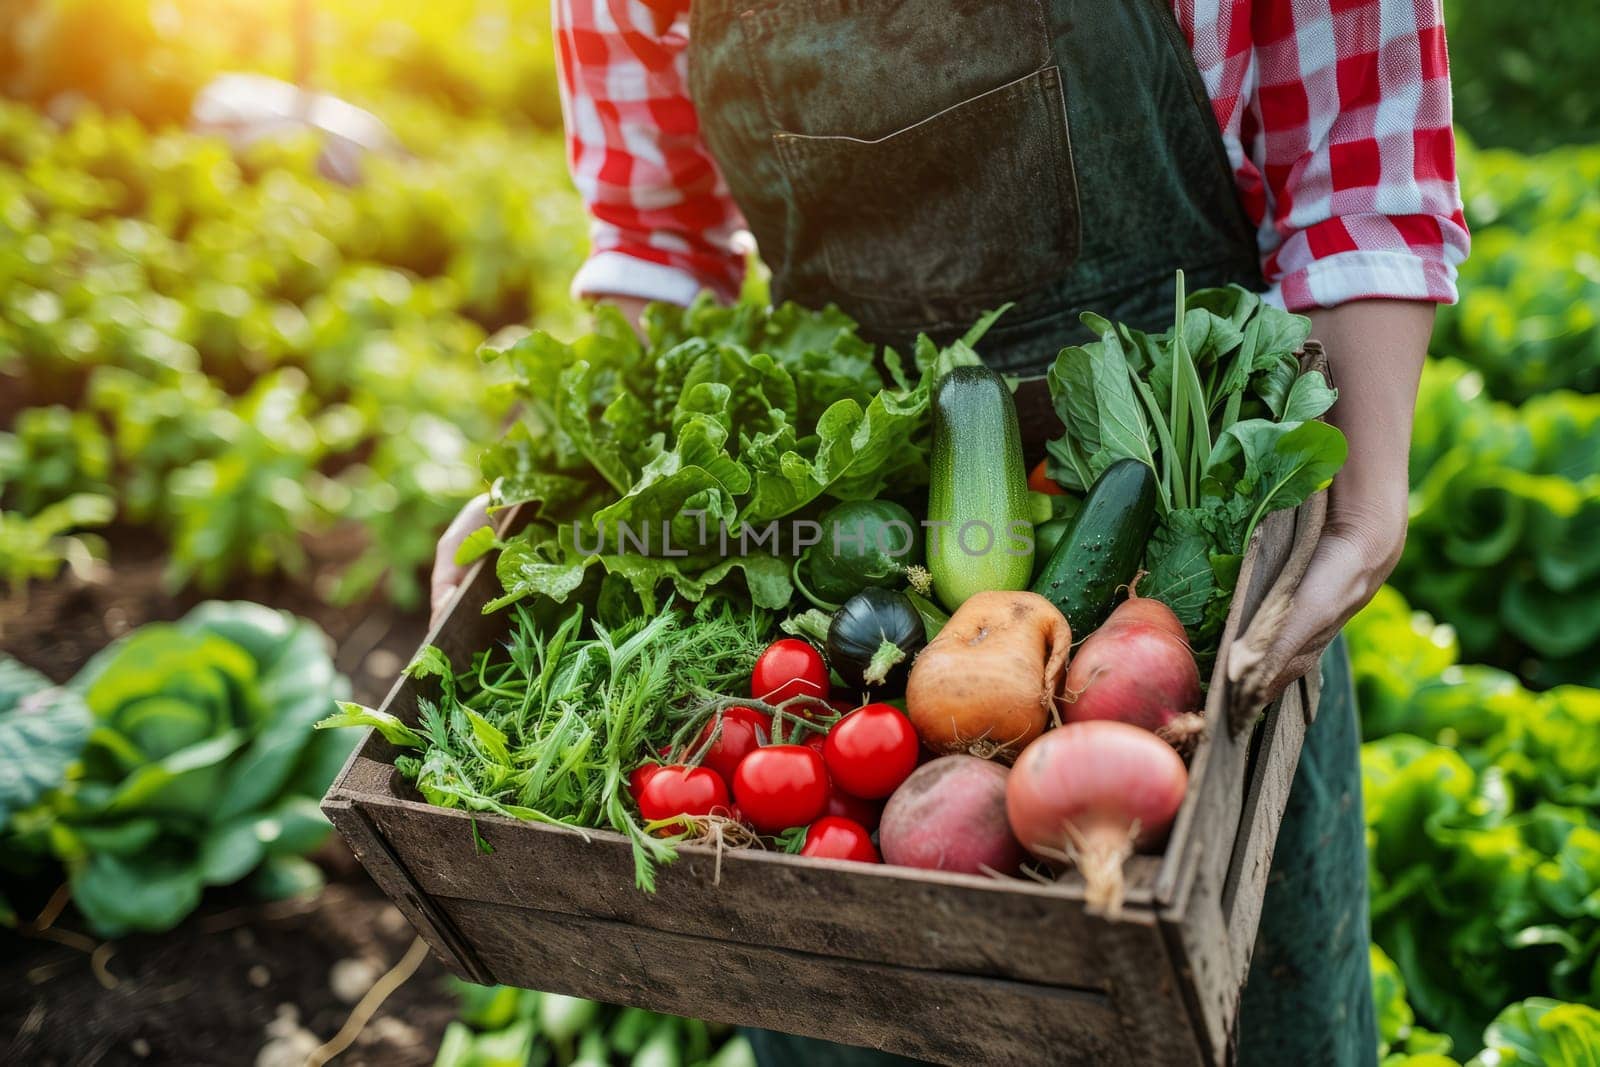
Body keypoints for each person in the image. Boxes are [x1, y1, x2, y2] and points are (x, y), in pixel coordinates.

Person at [433, 2, 1468, 1062]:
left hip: (1206, 555)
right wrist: (554, 477)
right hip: (866, 561)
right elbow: (656, 238)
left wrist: (1366, 487)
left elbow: (1356, 162)